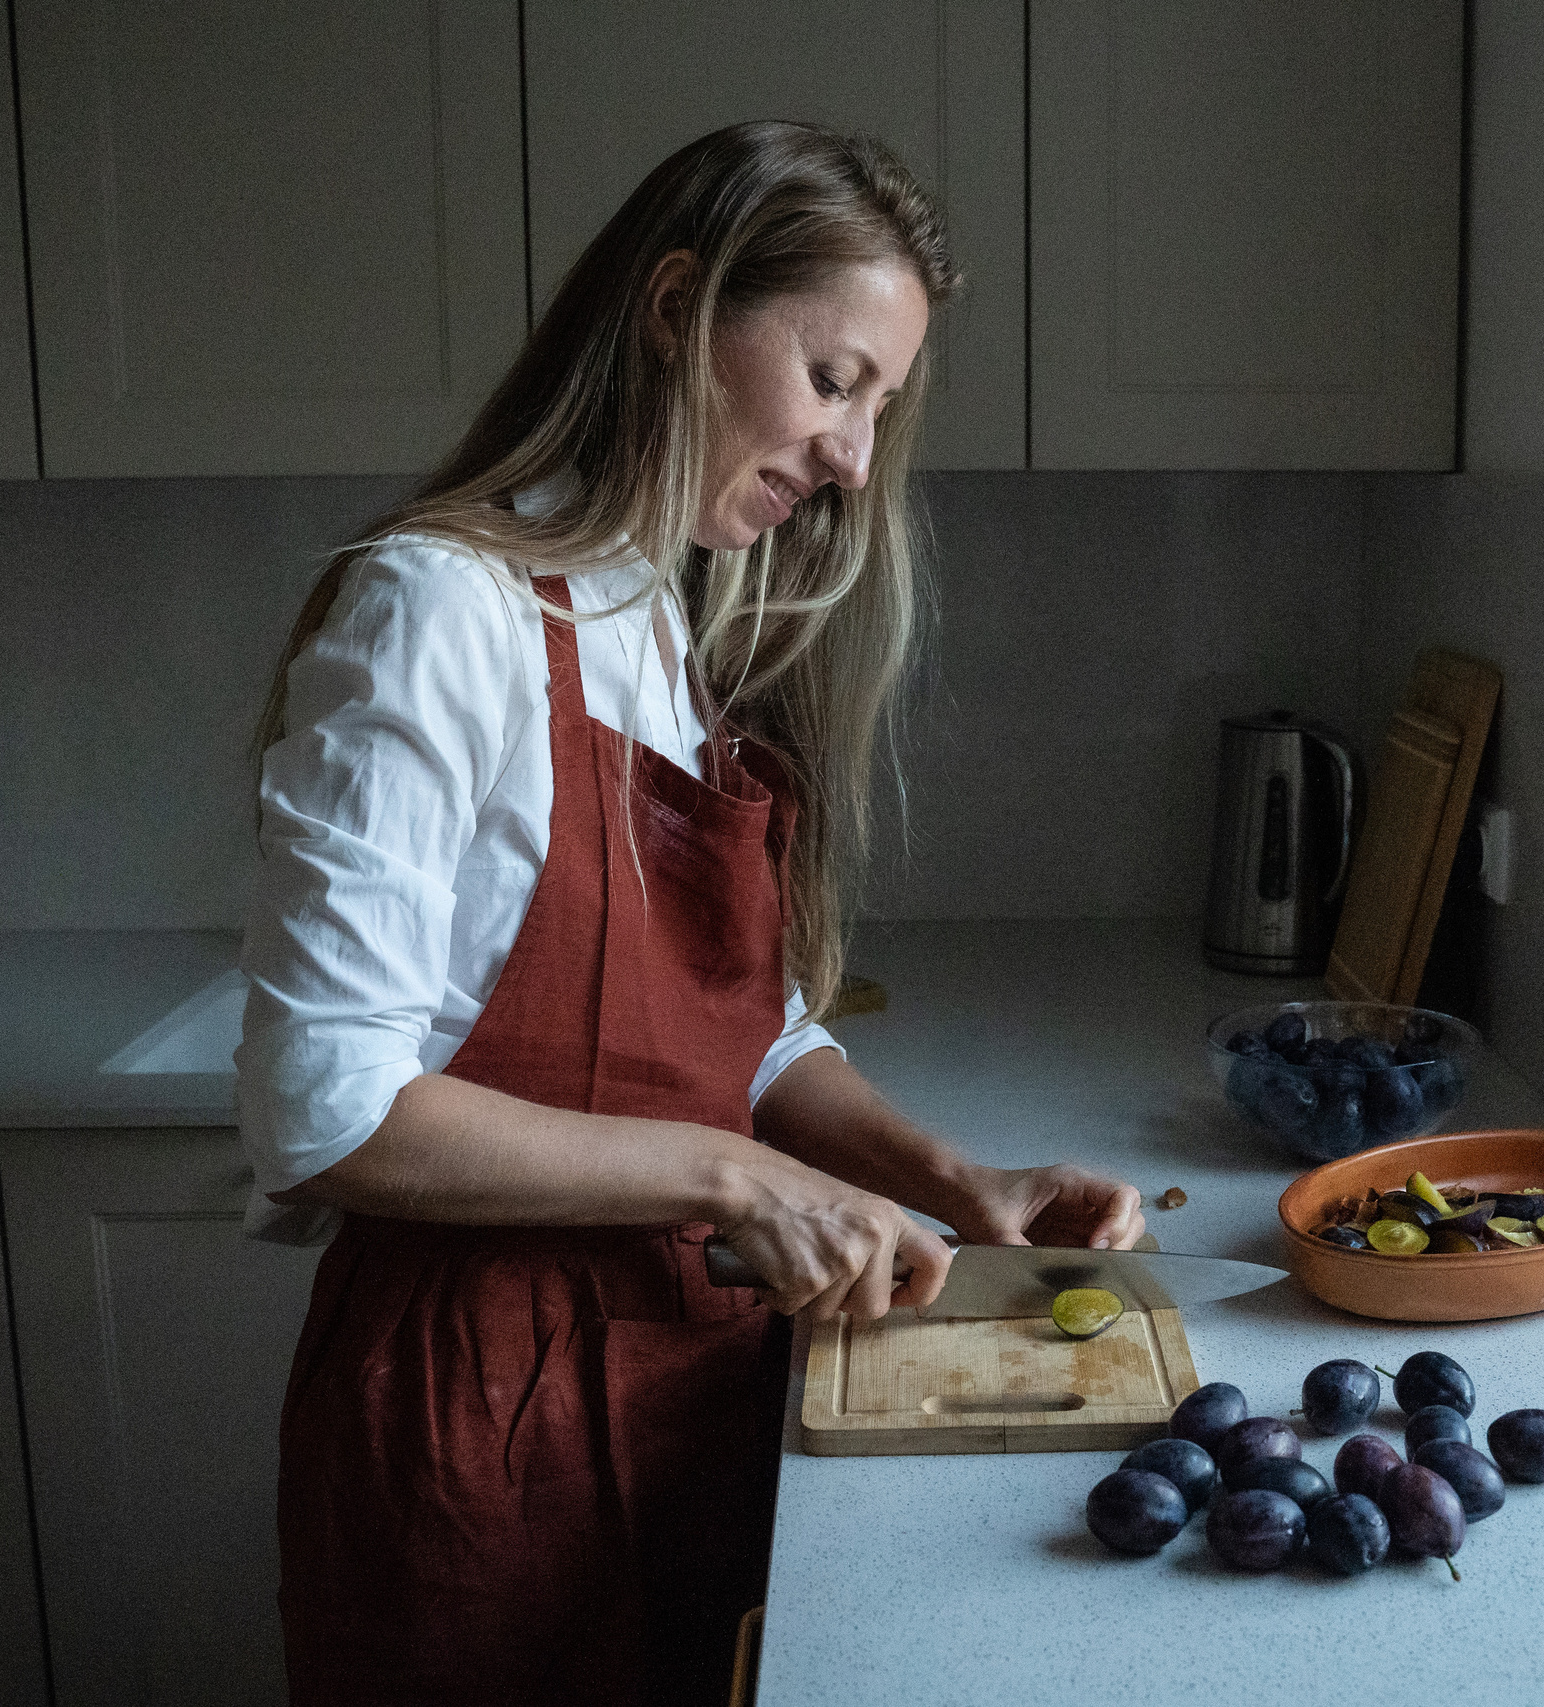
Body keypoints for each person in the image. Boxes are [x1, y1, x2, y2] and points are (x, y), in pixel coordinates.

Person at [236, 121, 1145, 1707]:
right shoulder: (435, 612)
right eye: (835, 379)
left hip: (690, 1369)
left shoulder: (660, 617)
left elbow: (742, 1023)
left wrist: (954, 1179)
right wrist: (734, 1176)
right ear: (676, 308)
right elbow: (323, 1114)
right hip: (481, 1419)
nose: (856, 460)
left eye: (881, 406)